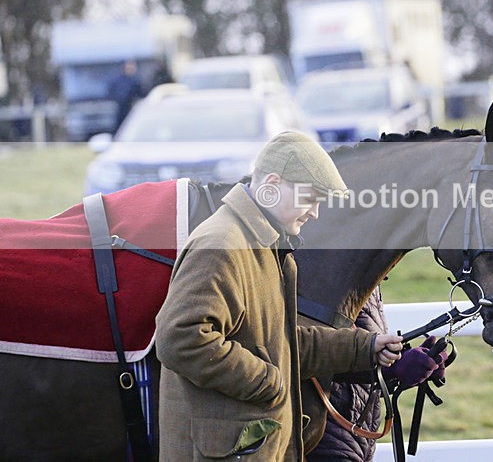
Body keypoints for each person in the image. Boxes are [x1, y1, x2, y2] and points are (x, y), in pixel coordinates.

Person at [155, 132, 404, 461]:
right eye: (310, 199)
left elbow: (283, 342)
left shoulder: (267, 247)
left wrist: (365, 347)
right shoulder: (223, 245)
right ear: (272, 183)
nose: (315, 213)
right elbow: (181, 339)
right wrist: (270, 382)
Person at [307, 289, 448, 462]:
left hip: (356, 438)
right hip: (321, 438)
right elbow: (303, 354)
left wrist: (408, 367)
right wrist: (390, 368)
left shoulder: (371, 288)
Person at [108, 60, 144, 133]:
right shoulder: (119, 81)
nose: (131, 69)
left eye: (132, 67)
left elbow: (141, 94)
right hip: (121, 109)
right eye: (129, 67)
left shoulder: (136, 81)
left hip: (132, 109)